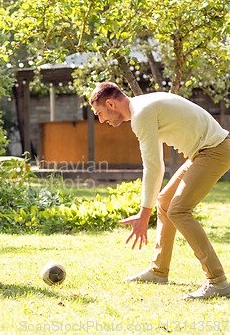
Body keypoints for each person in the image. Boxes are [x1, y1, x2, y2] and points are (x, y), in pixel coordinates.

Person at [89, 81, 230, 300]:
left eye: (100, 113)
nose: (101, 120)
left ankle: (217, 281)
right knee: (165, 202)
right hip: (206, 150)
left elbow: (154, 166)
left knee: (179, 211)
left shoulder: (141, 114)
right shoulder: (144, 104)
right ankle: (158, 271)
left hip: (214, 150)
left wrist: (143, 215)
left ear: (110, 103)